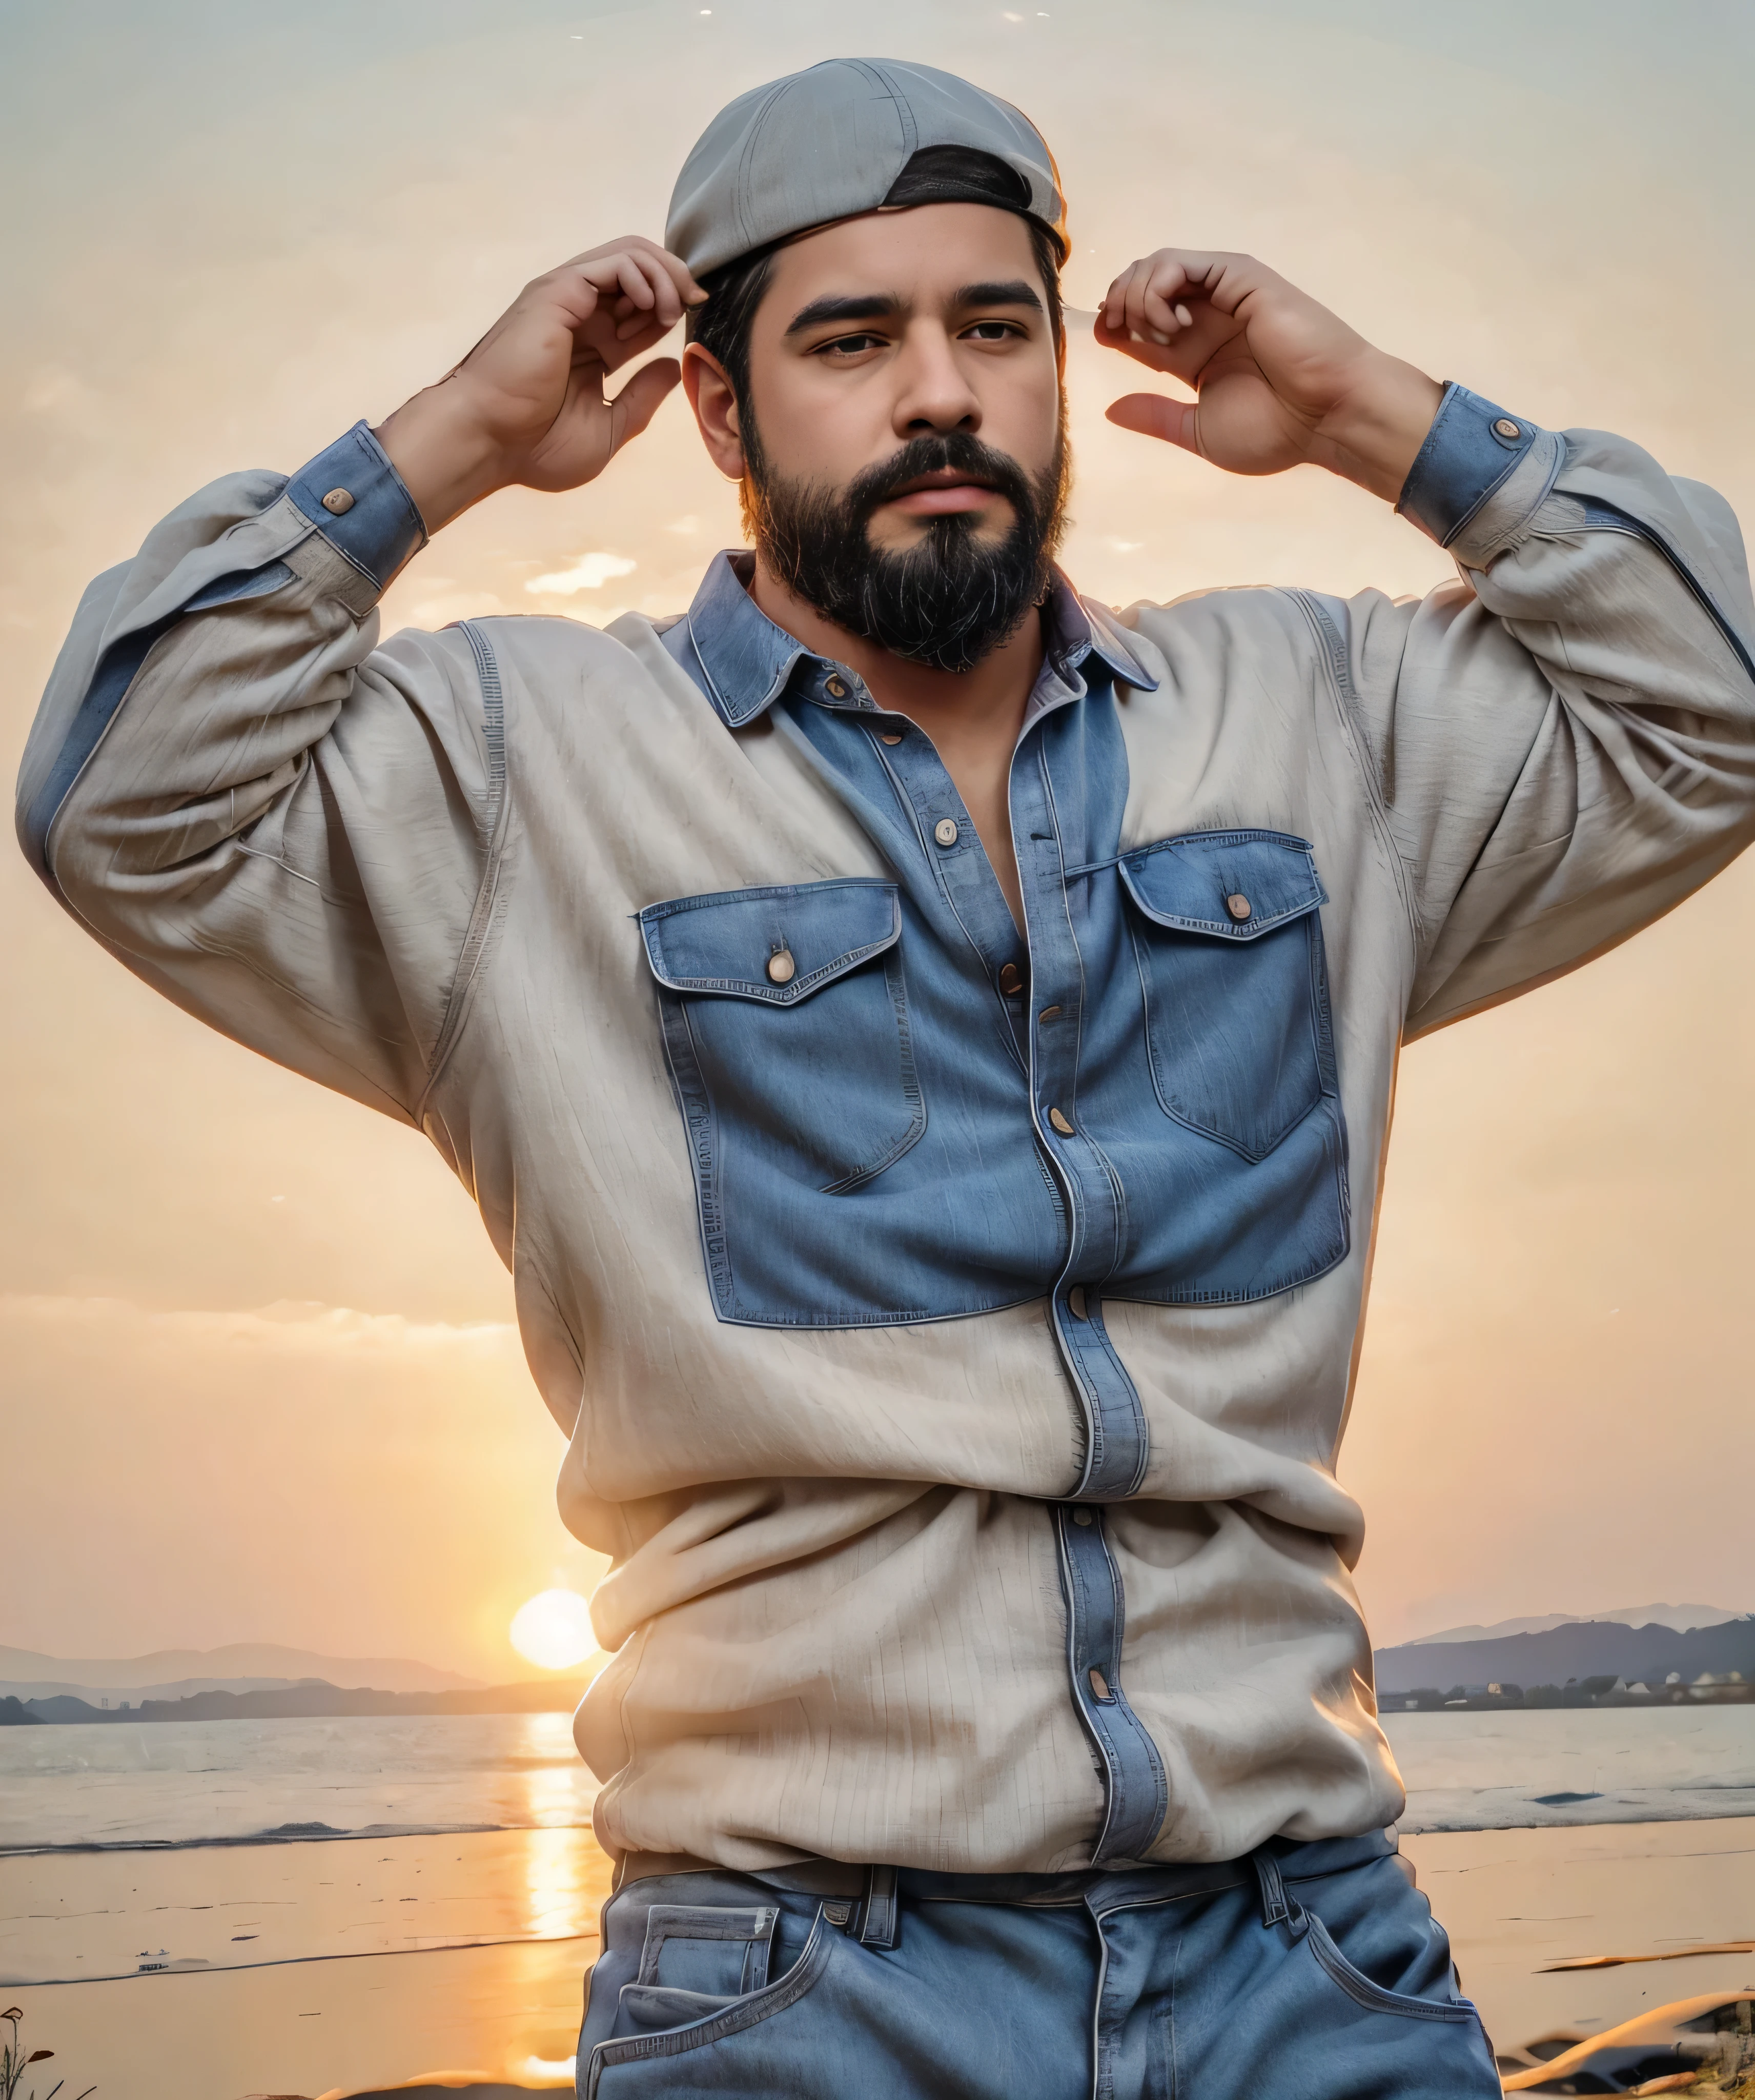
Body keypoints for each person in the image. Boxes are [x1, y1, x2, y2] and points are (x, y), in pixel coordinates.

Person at [17, 53, 1754, 2100]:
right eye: (851, 339)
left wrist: (1371, 407)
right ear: (722, 406)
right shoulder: (519, 775)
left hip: (1309, 1949)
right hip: (799, 1981)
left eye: (990, 325)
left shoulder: (1320, 718)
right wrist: (460, 439)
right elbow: (120, 797)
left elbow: (1706, 698)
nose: (940, 391)